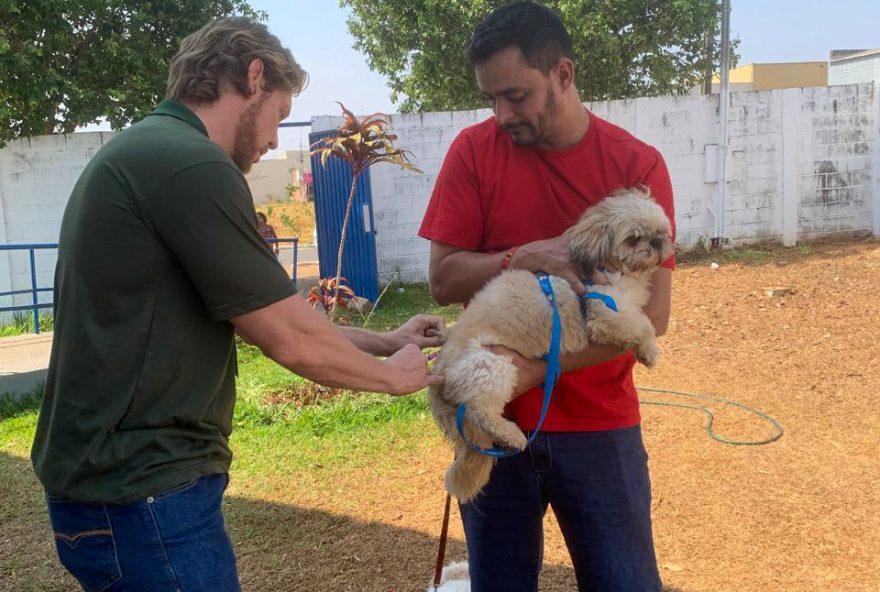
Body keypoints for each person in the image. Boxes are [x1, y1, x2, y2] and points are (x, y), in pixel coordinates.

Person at [31, 16, 444, 592]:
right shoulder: (191, 163)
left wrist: (388, 341)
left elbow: (270, 314)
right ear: (253, 77)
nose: (275, 139)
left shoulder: (148, 149)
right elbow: (290, 339)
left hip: (119, 485)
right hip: (143, 488)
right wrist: (393, 377)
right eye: (277, 113)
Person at [418, 2, 676, 591]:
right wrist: (523, 256)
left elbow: (653, 316)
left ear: (563, 73)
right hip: (493, 416)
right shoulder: (473, 151)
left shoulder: (635, 165)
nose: (502, 114)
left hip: (599, 428)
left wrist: (535, 370)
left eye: (517, 95)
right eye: (491, 99)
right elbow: (443, 278)